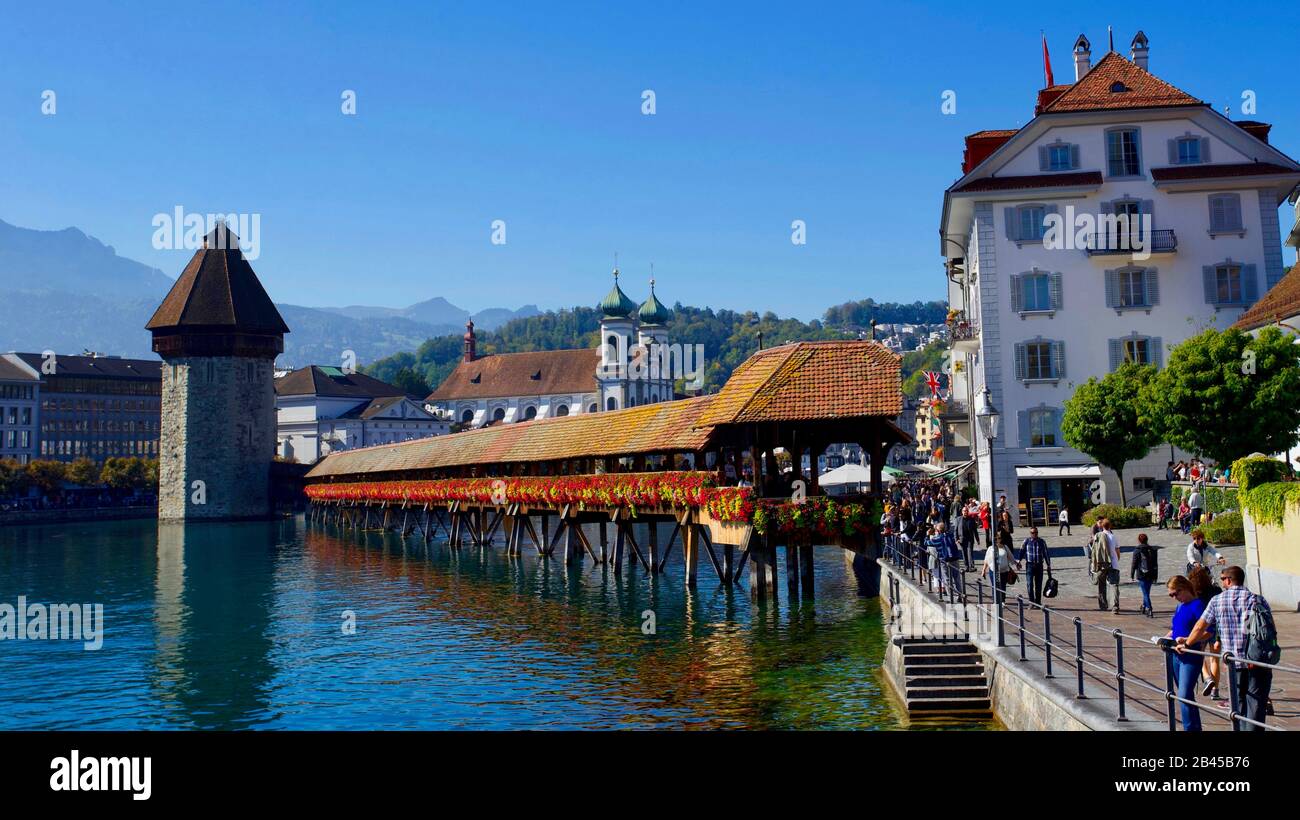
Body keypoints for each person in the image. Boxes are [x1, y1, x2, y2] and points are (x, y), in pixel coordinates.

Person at [1177, 566, 1275, 730]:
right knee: (1256, 704)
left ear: (1229, 580)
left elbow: (1200, 626)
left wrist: (1187, 643)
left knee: (1238, 703)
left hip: (1233, 663)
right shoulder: (1257, 599)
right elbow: (1262, 629)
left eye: (1223, 579)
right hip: (1256, 660)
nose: (1221, 582)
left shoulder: (1217, 600)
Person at [1165, 575, 1206, 732]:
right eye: (1171, 595)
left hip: (1190, 655)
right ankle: (1195, 728)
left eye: (1176, 593)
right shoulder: (1180, 606)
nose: (1175, 598)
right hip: (1176, 654)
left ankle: (1190, 728)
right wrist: (1164, 638)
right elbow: (1175, 629)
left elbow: (1207, 632)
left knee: (1184, 694)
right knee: (1185, 696)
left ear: (1185, 587)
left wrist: (1188, 640)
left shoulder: (1198, 605)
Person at [1188, 566, 1222, 701]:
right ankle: (1215, 690)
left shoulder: (1195, 593)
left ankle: (1207, 678)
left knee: (1200, 656)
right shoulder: (1216, 591)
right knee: (1215, 659)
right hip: (1216, 628)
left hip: (1202, 629)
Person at [1089, 517, 1120, 613]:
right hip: (1113, 564)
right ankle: (1115, 607)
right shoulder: (1113, 536)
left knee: (1101, 585)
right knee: (1114, 585)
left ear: (1102, 526)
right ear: (1110, 526)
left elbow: (1094, 551)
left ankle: (1103, 605)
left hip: (1101, 564)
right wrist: (1117, 559)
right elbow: (1117, 550)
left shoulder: (1098, 536)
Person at [981, 525, 1015, 607]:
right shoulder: (991, 548)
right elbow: (986, 560)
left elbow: (1011, 558)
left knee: (1003, 586)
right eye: (996, 538)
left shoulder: (1005, 547)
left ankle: (1002, 600)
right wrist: (983, 570)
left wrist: (1017, 564)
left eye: (999, 538)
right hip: (994, 571)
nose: (997, 540)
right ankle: (995, 601)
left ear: (1001, 539)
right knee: (995, 586)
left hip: (1003, 571)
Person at [1018, 526, 1050, 605]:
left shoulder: (1042, 541)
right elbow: (1022, 551)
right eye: (1033, 533)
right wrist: (1019, 561)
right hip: (1030, 565)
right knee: (1029, 584)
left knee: (1038, 585)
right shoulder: (1026, 541)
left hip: (1039, 565)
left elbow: (1046, 553)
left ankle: (1038, 602)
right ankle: (1031, 602)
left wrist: (1048, 565)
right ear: (1030, 533)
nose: (1035, 534)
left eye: (1036, 533)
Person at [1129, 533, 1159, 617]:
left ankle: (1149, 608)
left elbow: (1134, 564)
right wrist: (1156, 575)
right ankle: (1143, 606)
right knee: (1146, 592)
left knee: (1145, 593)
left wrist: (1132, 574)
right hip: (1151, 573)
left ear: (1139, 540)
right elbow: (1156, 564)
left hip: (1141, 574)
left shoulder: (1137, 550)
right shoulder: (1152, 550)